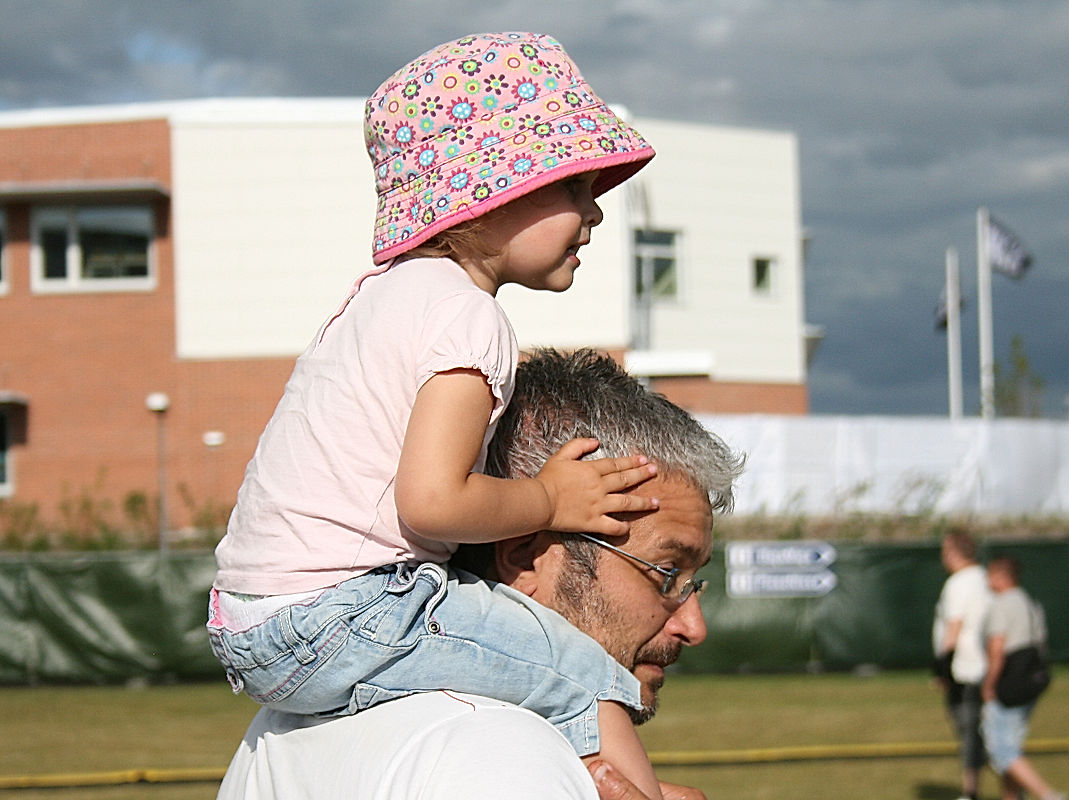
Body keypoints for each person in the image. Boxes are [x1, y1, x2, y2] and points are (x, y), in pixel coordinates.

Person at [206, 32, 667, 797]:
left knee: (531, 667)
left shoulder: (380, 300)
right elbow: (433, 500)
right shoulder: (466, 315)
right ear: (488, 195)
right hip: (344, 611)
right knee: (591, 678)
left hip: (254, 619)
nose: (596, 215)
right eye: (573, 188)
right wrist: (551, 499)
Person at [216, 348, 744, 800]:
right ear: (524, 555)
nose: (693, 626)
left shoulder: (280, 730)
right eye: (667, 572)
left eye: (693, 582)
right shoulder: (502, 752)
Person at [981, 555, 1066, 800]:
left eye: (990, 574)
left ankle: (1047, 795)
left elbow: (997, 649)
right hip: (1032, 681)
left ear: (1001, 576)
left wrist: (989, 684)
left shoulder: (1002, 604)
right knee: (1012, 745)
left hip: (1010, 683)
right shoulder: (1030, 603)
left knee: (1002, 751)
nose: (988, 580)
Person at [932, 530, 992, 800]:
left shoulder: (958, 583)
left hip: (964, 669)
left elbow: (953, 628)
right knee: (983, 733)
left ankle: (971, 792)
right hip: (987, 667)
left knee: (971, 733)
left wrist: (942, 668)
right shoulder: (985, 579)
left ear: (954, 552)